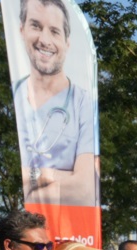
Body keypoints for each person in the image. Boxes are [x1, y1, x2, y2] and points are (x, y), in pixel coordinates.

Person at [13, 0, 96, 206]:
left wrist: (37, 180)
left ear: (67, 43)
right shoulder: (12, 97)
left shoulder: (83, 103)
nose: (44, 40)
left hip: (67, 221)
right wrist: (63, 177)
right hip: (13, 218)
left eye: (54, 31)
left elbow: (86, 189)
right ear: (22, 30)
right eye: (36, 26)